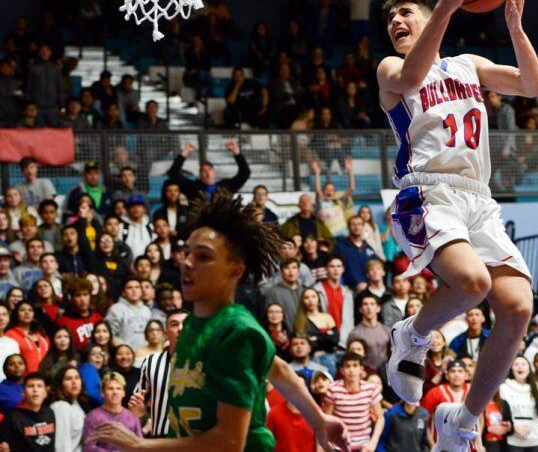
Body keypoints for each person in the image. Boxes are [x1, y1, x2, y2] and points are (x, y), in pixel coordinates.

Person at [377, 0, 538, 452]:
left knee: (517, 308)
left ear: (428, 18)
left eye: (406, 13)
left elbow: (531, 86)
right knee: (473, 283)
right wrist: (447, 4)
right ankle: (413, 332)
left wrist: (514, 28)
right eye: (391, 20)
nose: (396, 22)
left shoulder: (468, 64)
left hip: (479, 198)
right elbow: (410, 76)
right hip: (427, 191)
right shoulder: (390, 68)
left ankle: (462, 421)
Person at [87, 192, 348, 452]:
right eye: (187, 253)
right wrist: (318, 419)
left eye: (203, 256)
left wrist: (139, 445)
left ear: (236, 270)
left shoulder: (237, 332)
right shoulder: (191, 325)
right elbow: (278, 370)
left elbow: (229, 442)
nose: (187, 262)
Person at [129, 308, 188, 438]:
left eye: (185, 323)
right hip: (162, 438)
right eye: (174, 324)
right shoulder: (151, 362)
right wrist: (139, 410)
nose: (181, 328)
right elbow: (139, 407)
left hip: (197, 440)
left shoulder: (206, 362)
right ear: (166, 332)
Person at [324, 351, 384, 452]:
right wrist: (328, 443)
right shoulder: (333, 389)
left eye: (355, 366)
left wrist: (373, 443)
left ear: (361, 369)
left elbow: (380, 418)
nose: (351, 370)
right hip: (339, 446)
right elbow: (327, 419)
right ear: (342, 370)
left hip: (364, 446)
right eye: (347, 366)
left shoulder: (371, 389)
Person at [166, 140, 250, 200]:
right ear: (200, 175)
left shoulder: (225, 186)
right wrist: (185, 151)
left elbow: (245, 173)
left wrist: (236, 152)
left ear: (214, 172)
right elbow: (173, 173)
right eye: (203, 170)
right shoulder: (192, 187)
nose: (207, 172)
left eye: (209, 169)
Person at [83, 371, 143, 452]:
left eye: (118, 388)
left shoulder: (133, 417)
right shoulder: (92, 417)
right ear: (102, 392)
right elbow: (88, 447)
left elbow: (140, 446)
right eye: (110, 388)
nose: (115, 392)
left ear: (123, 393)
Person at [0, 372, 56, 451]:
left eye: (39, 386)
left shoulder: (50, 412)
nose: (35, 390)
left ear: (45, 393)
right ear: (23, 393)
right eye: (30, 386)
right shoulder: (12, 418)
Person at [500, 355, 538, 452]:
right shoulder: (504, 388)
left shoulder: (537, 387)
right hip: (513, 438)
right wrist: (514, 427)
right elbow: (502, 412)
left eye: (523, 364)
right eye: (516, 364)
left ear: (529, 368)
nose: (520, 367)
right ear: (511, 368)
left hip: (535, 437)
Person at [315, 255, 356, 346]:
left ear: (343, 269)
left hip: (344, 341)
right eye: (332, 266)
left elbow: (350, 319)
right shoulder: (317, 290)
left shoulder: (347, 293)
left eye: (338, 266)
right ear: (326, 269)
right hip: (324, 340)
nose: (335, 270)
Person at [104, 277, 152, 351]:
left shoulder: (147, 310)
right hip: (125, 356)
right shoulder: (115, 309)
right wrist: (126, 351)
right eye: (130, 288)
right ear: (123, 293)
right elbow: (110, 335)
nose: (134, 290)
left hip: (145, 354)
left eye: (137, 287)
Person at [50, 365, 89, 452]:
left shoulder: (77, 404)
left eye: (77, 378)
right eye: (68, 378)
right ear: (60, 384)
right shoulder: (61, 407)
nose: (74, 382)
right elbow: (61, 446)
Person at [6, 300, 49, 372]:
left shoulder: (42, 335)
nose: (27, 312)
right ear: (16, 314)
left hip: (45, 380)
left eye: (30, 310)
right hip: (23, 380)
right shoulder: (10, 335)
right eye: (22, 310)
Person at [348, 295, 390, 369]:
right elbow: (350, 358)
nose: (369, 307)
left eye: (372, 304)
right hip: (365, 372)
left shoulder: (387, 331)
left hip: (385, 372)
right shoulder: (355, 333)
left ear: (378, 308)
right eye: (365, 304)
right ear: (360, 309)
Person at [264, 258, 305, 329]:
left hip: (307, 332)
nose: (291, 271)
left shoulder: (304, 290)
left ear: (298, 272)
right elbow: (270, 317)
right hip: (285, 335)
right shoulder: (273, 292)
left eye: (294, 268)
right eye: (286, 268)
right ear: (282, 272)